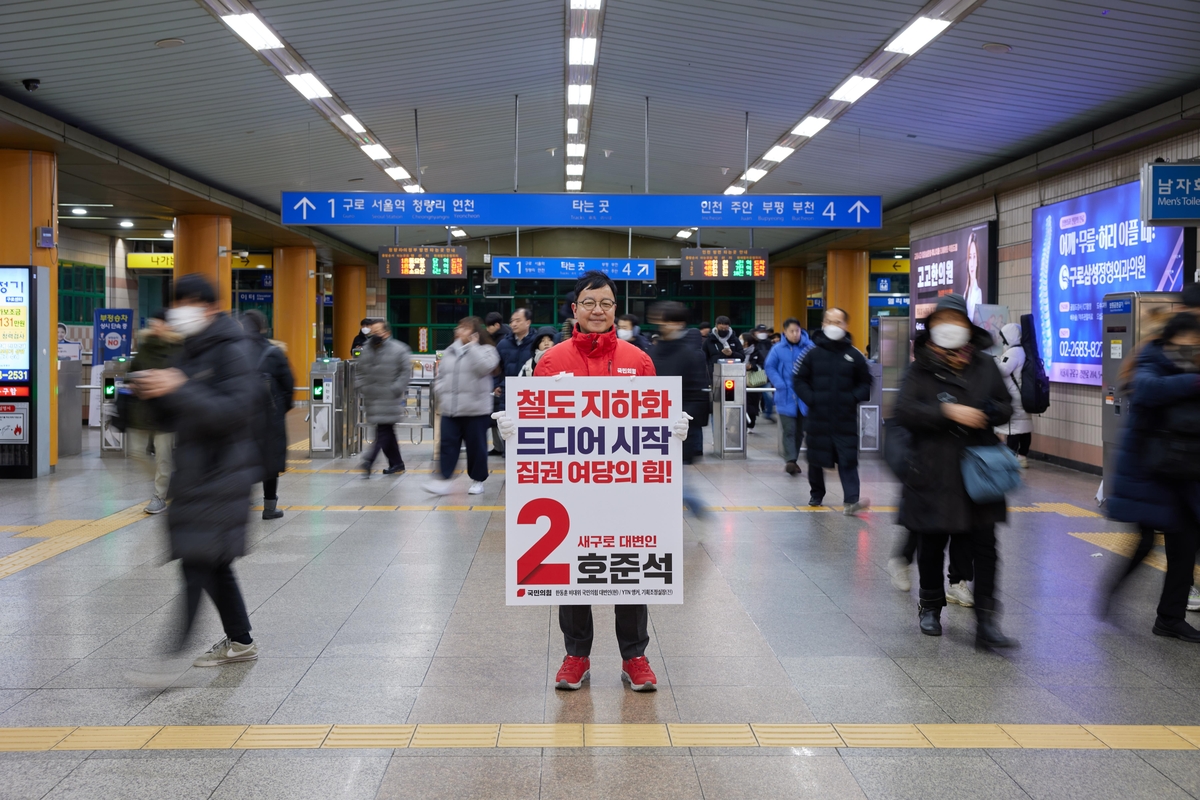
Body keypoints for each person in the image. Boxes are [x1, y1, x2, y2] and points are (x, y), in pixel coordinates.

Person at [493, 271, 689, 693]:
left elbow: (651, 420)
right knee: (572, 568)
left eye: (605, 303)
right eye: (589, 303)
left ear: (615, 309)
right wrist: (516, 430)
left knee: (630, 566)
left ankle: (635, 656)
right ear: (574, 309)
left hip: (626, 486)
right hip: (571, 487)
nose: (597, 311)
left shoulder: (639, 360)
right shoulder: (552, 361)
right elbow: (536, 422)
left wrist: (672, 430)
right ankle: (575, 656)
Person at [127, 274, 259, 682]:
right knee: (213, 563)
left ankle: (168, 662)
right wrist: (155, 388)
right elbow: (179, 413)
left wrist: (178, 387)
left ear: (210, 308)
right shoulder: (189, 350)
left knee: (197, 565)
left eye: (187, 303)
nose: (179, 312)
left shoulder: (232, 350)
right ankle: (241, 641)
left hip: (223, 474)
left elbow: (233, 412)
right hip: (198, 474)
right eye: (176, 303)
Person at [894, 293, 1016, 648]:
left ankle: (987, 623)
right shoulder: (921, 366)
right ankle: (930, 606)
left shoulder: (984, 364)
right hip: (933, 468)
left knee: (986, 547)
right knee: (932, 542)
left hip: (979, 470)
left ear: (967, 326)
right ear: (932, 328)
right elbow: (904, 412)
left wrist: (986, 412)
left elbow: (1006, 407)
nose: (949, 328)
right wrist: (947, 412)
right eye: (941, 321)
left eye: (956, 320)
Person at [1106, 312, 1200, 641]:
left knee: (1184, 547)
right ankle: (1112, 593)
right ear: (1169, 340)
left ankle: (1169, 618)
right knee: (1146, 542)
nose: (1191, 349)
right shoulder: (1150, 359)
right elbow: (1145, 389)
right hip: (1150, 474)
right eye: (1185, 342)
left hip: (1185, 475)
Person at [794, 307, 872, 514]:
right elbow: (798, 379)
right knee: (816, 459)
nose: (833, 326)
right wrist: (812, 398)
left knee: (848, 459)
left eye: (838, 322)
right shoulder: (810, 353)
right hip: (818, 417)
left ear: (845, 326)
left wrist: (852, 398)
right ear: (822, 325)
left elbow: (866, 383)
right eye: (829, 321)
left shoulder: (854, 355)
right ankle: (816, 494)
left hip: (844, 418)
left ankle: (851, 500)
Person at [426, 317, 500, 496]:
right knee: (447, 445)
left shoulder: (487, 350)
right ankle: (444, 479)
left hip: (476, 410)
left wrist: (473, 347)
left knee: (476, 448)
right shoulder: (450, 351)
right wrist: (441, 390)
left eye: (466, 328)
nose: (460, 330)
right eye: (459, 327)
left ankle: (478, 480)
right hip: (451, 410)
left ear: (475, 332)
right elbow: (441, 376)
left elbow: (485, 368)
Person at [127, 309, 183, 515]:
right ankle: (169, 482)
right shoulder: (145, 348)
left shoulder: (177, 349)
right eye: (152, 322)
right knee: (136, 452)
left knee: (163, 457)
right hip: (142, 412)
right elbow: (130, 372)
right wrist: (133, 381)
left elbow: (182, 377)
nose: (154, 326)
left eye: (159, 323)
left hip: (166, 412)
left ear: (167, 326)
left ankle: (159, 495)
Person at [241, 310, 294, 520]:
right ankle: (269, 508)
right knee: (269, 462)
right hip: (269, 419)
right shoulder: (274, 352)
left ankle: (240, 504)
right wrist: (279, 409)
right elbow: (289, 386)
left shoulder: (234, 351)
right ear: (263, 328)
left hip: (242, 417)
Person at [649, 301, 709, 465]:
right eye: (662, 321)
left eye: (670, 321)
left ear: (680, 324)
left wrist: (680, 419)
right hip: (653, 429)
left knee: (680, 484)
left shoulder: (690, 354)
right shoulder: (653, 351)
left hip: (679, 432)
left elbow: (698, 397)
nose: (665, 325)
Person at [355, 319, 412, 477]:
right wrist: (362, 387)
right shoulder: (366, 349)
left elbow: (405, 373)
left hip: (389, 398)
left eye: (378, 332)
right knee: (387, 432)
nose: (375, 335)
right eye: (373, 332)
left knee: (383, 432)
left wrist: (395, 388)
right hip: (372, 398)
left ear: (387, 332)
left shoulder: (400, 349)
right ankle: (397, 463)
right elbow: (359, 371)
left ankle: (369, 460)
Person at [764, 318, 813, 476]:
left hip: (804, 397)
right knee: (789, 429)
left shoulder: (809, 348)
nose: (794, 334)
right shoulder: (778, 349)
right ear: (785, 332)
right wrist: (779, 383)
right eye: (791, 331)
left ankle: (794, 459)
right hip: (785, 395)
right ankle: (790, 461)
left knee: (799, 431)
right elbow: (770, 366)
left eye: (797, 331)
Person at [492, 308, 534, 456]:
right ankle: (509, 456)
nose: (513, 324)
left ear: (528, 322)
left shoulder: (536, 343)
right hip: (508, 392)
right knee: (507, 425)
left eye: (518, 320)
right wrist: (496, 384)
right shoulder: (504, 344)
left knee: (528, 426)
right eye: (511, 321)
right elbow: (496, 367)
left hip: (530, 393)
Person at [994, 322, 1032, 468]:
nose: (1003, 341)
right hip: (1023, 395)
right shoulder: (1023, 350)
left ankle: (1010, 457)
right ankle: (1022, 456)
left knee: (1014, 429)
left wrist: (995, 360)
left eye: (1004, 338)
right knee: (1024, 428)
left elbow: (1003, 370)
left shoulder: (1013, 352)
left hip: (1014, 396)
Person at [742, 332, 765, 432]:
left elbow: (762, 366)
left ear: (746, 342)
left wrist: (752, 366)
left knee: (752, 404)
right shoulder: (738, 351)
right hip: (739, 381)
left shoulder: (756, 352)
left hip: (753, 382)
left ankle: (750, 424)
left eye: (741, 339)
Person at [754, 324, 776, 420]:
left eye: (764, 332)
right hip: (755, 373)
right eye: (760, 332)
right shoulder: (753, 343)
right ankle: (753, 414)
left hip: (766, 372)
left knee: (768, 395)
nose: (762, 334)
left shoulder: (769, 344)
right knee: (752, 396)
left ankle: (768, 412)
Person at [964, 232, 982, 323]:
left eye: (974, 257)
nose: (972, 263)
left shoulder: (978, 292)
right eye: (970, 257)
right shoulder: (965, 293)